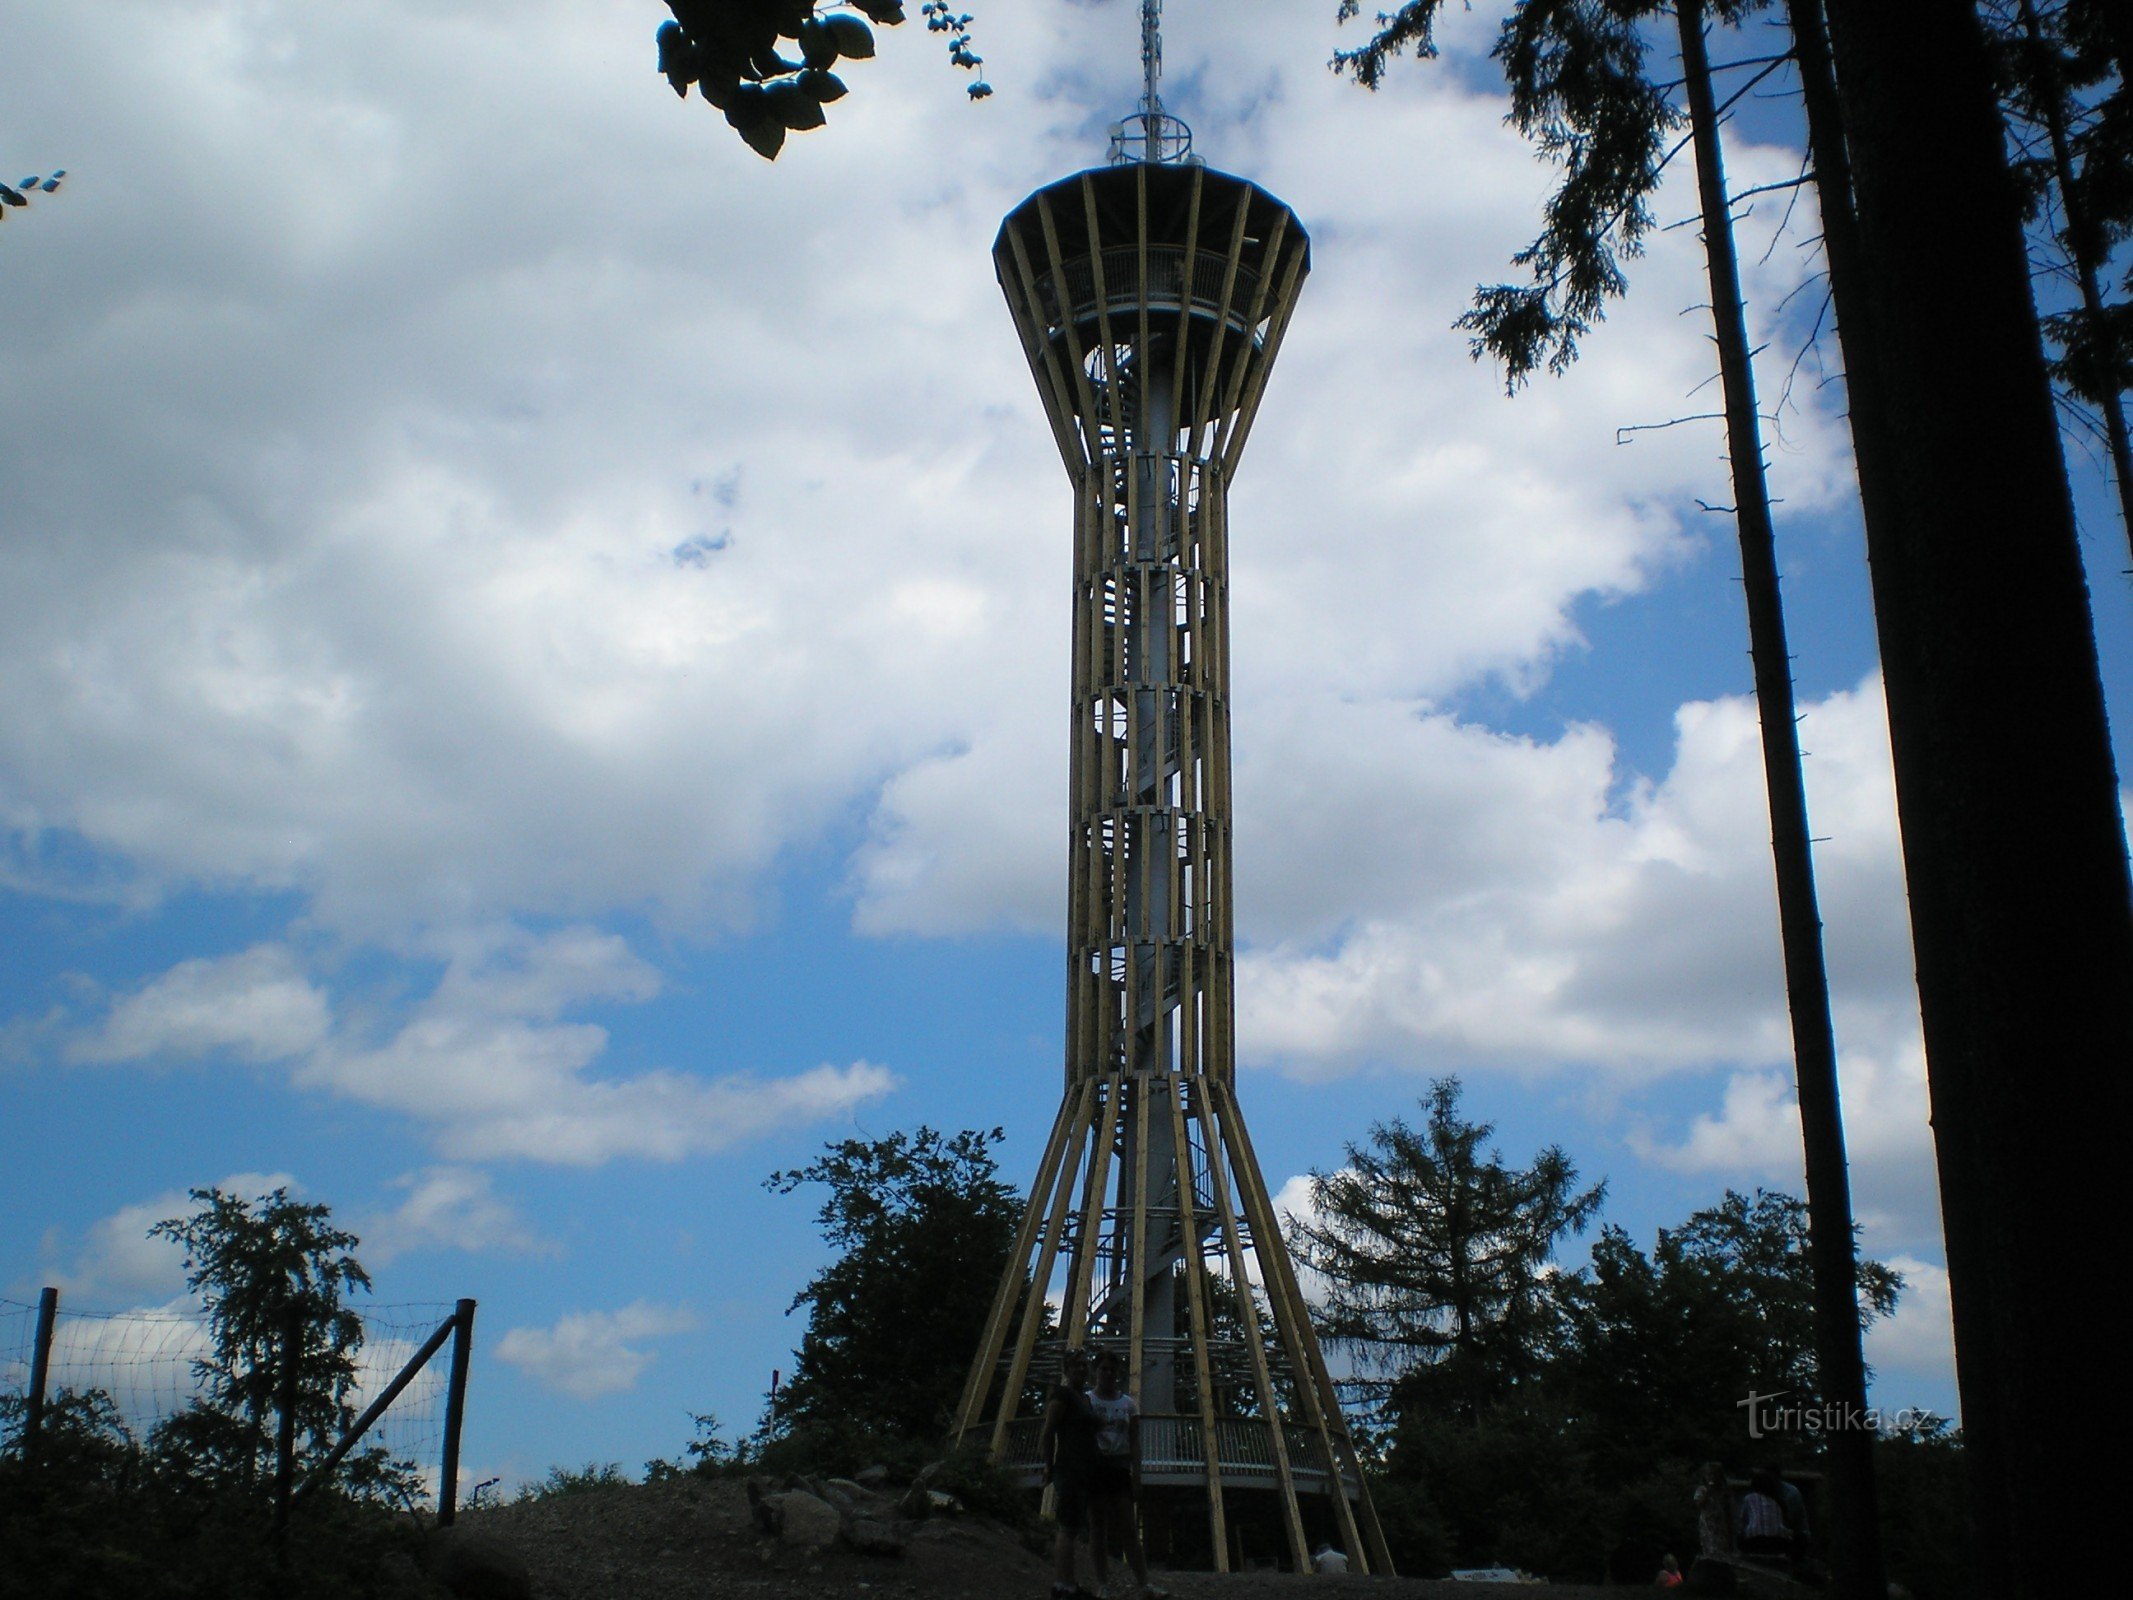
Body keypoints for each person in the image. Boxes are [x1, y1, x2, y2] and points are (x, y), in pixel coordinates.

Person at [1086, 1350, 1168, 1600]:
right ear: (1096, 1372)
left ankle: (1144, 1584)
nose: (1108, 1374)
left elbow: (1134, 1442)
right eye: (1103, 1369)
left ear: (1118, 1373)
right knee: (1098, 1528)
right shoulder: (1086, 1401)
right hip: (1095, 1469)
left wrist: (1137, 1477)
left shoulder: (1128, 1405)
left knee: (1128, 1529)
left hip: (1120, 1470)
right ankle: (1103, 1584)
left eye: (1112, 1369)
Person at [1038, 1349, 1099, 1600]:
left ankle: (1070, 1583)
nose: (1082, 1370)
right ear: (1066, 1369)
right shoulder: (1062, 1395)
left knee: (1074, 1528)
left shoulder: (1084, 1398)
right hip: (1068, 1468)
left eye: (1085, 1365)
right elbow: (1048, 1431)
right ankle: (1062, 1586)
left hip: (1085, 1470)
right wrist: (1048, 1466)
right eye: (1076, 1366)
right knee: (1066, 1527)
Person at [1737, 1467, 1791, 1565]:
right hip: (1778, 1543)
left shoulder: (1749, 1498)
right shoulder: (1779, 1501)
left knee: (1740, 1536)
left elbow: (1742, 1521)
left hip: (1754, 1542)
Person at [1693, 1462, 1735, 1560]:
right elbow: (1698, 1504)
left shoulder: (1724, 1490)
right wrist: (1708, 1492)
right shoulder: (1702, 1489)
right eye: (1708, 1475)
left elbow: (1728, 1508)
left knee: (1722, 1549)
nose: (1711, 1477)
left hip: (1720, 1524)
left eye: (1713, 1475)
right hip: (1708, 1523)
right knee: (1710, 1549)